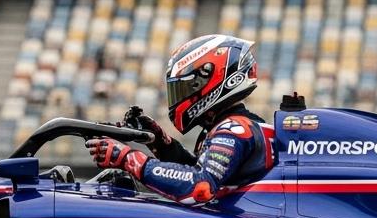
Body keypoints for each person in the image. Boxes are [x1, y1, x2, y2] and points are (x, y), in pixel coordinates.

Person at [85, 35, 274, 204]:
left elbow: (201, 187)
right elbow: (195, 170)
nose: (178, 97)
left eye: (184, 88)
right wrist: (161, 142)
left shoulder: (234, 129)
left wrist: (128, 158)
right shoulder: (237, 125)